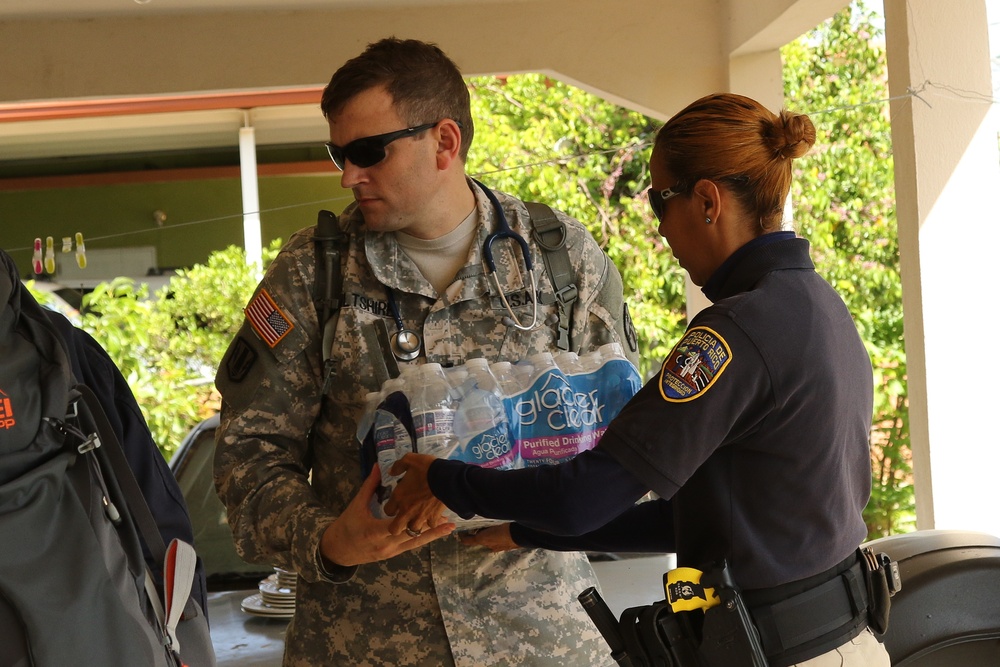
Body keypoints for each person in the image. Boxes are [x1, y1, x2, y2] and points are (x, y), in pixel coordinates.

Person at [388, 93, 892, 667]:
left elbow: (581, 497)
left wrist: (447, 482)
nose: (660, 231)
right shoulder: (818, 306)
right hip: (843, 639)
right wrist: (530, 532)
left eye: (659, 202)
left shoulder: (733, 331)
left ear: (707, 201)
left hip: (782, 650)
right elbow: (693, 518)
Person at [213, 37, 638, 666]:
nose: (349, 175)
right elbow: (247, 459)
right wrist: (329, 541)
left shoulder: (560, 260)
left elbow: (631, 442)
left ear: (445, 141)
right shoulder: (313, 274)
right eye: (338, 153)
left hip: (538, 641)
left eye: (367, 152)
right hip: (363, 644)